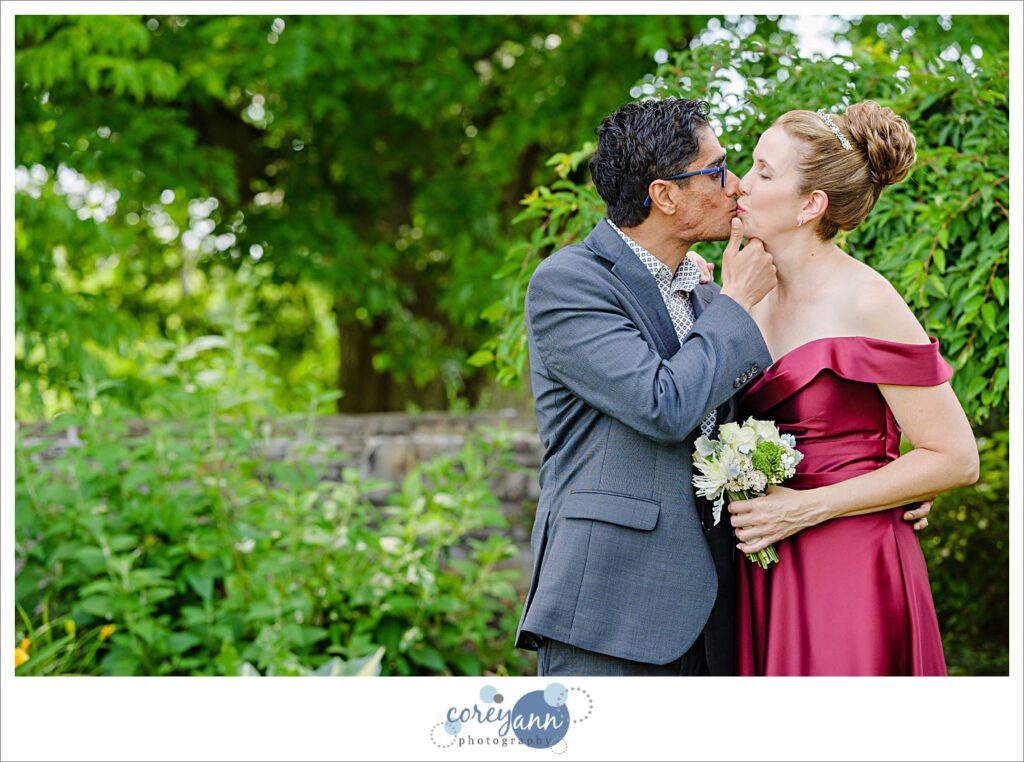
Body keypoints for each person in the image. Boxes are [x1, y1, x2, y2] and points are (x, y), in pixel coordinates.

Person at [514, 97, 779, 676]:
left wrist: (874, 486)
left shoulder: (708, 298)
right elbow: (663, 405)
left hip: (717, 613)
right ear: (665, 195)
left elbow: (762, 418)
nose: (735, 186)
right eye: (716, 170)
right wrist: (735, 303)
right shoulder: (569, 284)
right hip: (611, 608)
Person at [727, 101, 980, 675]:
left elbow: (956, 457)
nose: (741, 181)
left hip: (849, 557)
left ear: (810, 205)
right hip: (763, 557)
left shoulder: (866, 298)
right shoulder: (744, 287)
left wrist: (809, 508)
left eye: (765, 172)